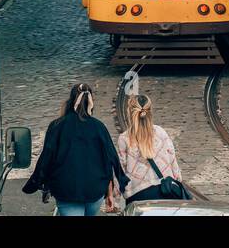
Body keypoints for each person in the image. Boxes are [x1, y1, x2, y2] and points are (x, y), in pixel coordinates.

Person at [23, 82, 128, 215]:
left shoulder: (57, 126)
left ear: (71, 99)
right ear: (91, 102)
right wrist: (111, 192)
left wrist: (38, 183)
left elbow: (47, 158)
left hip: (66, 189)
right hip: (94, 189)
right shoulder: (99, 127)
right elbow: (110, 160)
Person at [118, 94, 186, 205]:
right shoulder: (161, 132)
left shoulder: (124, 138)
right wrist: (177, 180)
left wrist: (115, 197)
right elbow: (172, 160)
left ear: (130, 113)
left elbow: (121, 170)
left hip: (138, 195)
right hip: (165, 191)